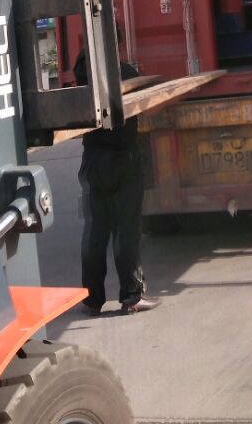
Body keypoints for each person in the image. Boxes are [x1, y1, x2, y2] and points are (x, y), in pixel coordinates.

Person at [75, 49, 160, 315]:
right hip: (124, 160)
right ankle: (132, 296)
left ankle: (92, 298)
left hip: (93, 162)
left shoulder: (81, 81)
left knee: (95, 230)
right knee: (126, 228)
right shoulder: (127, 74)